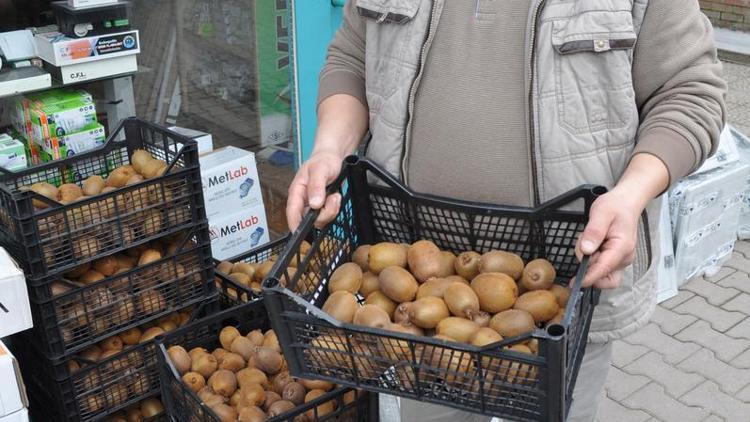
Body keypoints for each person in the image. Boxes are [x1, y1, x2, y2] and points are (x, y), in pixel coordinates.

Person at [286, 1, 726, 421]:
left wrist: (631, 194)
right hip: (419, 291)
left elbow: (689, 91)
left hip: (565, 287)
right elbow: (353, 57)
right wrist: (329, 148)